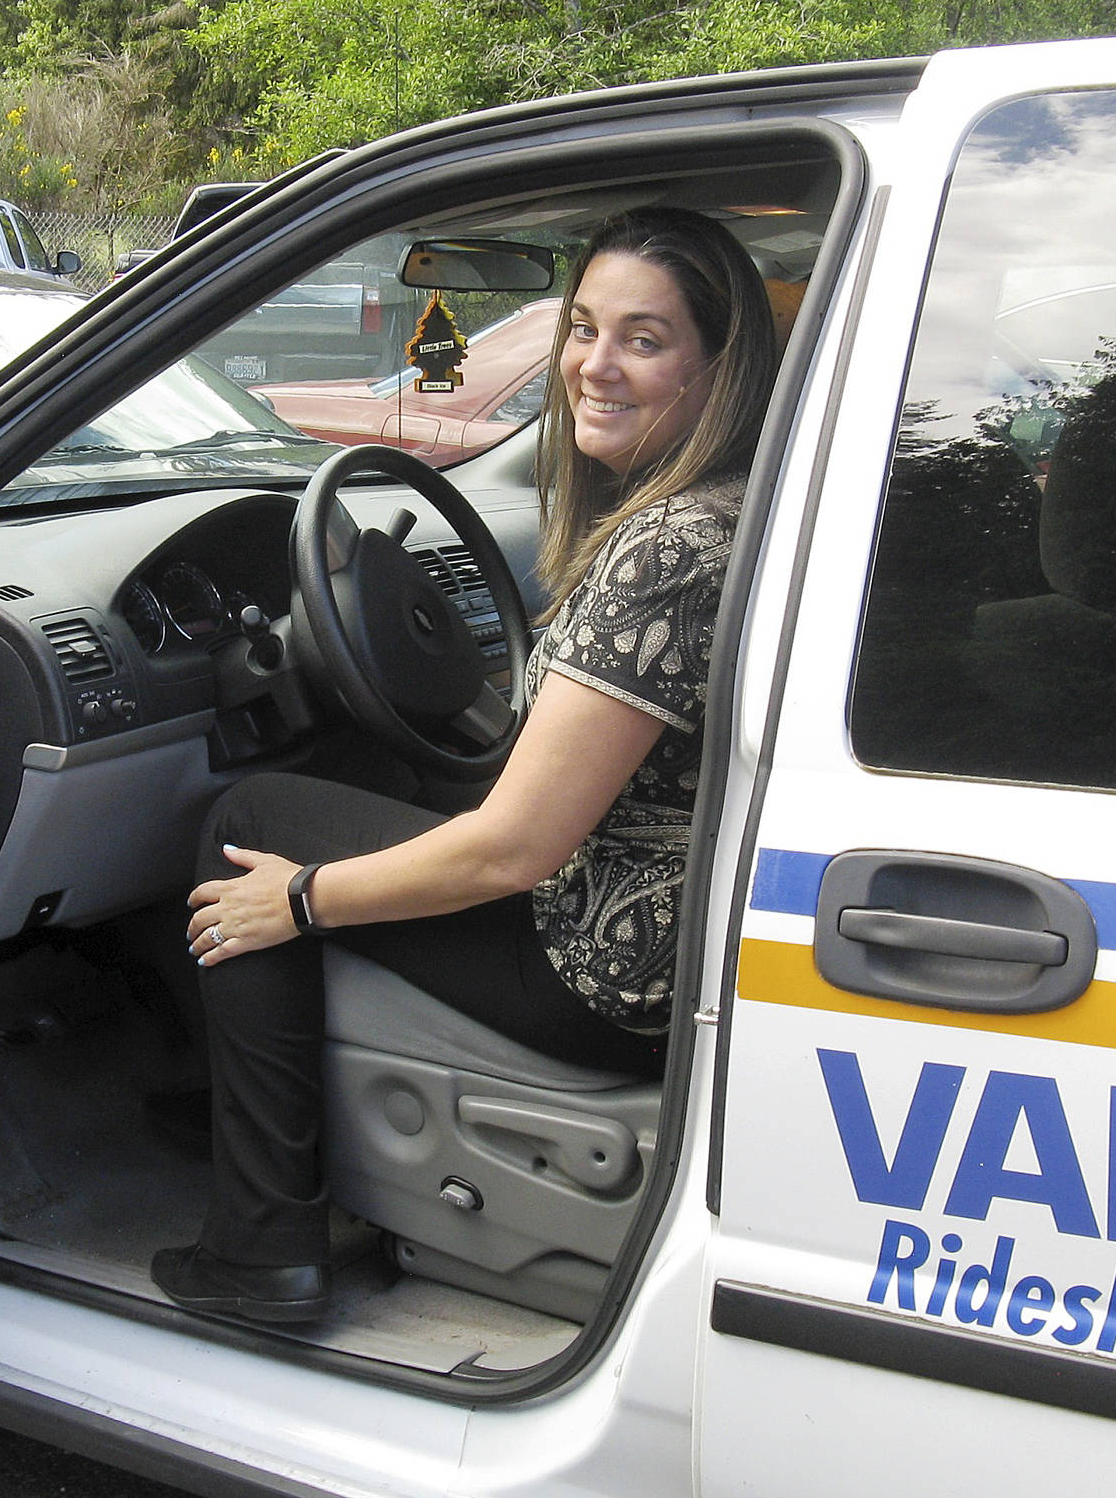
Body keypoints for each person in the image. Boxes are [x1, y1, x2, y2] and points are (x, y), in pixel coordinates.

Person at [152, 206, 780, 1321]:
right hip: (655, 916)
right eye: (581, 326)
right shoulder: (740, 507)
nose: (593, 363)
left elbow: (518, 845)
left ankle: (261, 1245)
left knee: (249, 818)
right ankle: (234, 1095)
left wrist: (296, 901)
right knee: (377, 785)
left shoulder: (668, 547)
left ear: (715, 368)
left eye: (643, 338)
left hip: (595, 957)